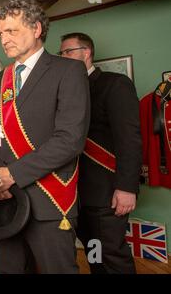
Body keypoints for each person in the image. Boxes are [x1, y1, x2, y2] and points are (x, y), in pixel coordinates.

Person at [0, 0, 90, 273]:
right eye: (0, 33)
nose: (4, 39)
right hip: (5, 199)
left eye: (12, 31)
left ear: (37, 28)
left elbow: (70, 140)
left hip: (49, 200)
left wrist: (12, 174)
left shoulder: (69, 71)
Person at [59, 32, 142, 274]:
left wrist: (127, 188)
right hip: (76, 192)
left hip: (107, 190)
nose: (62, 57)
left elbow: (129, 140)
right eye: (60, 53)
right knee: (94, 252)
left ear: (87, 53)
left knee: (112, 256)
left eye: (68, 52)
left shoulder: (114, 84)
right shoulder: (66, 90)